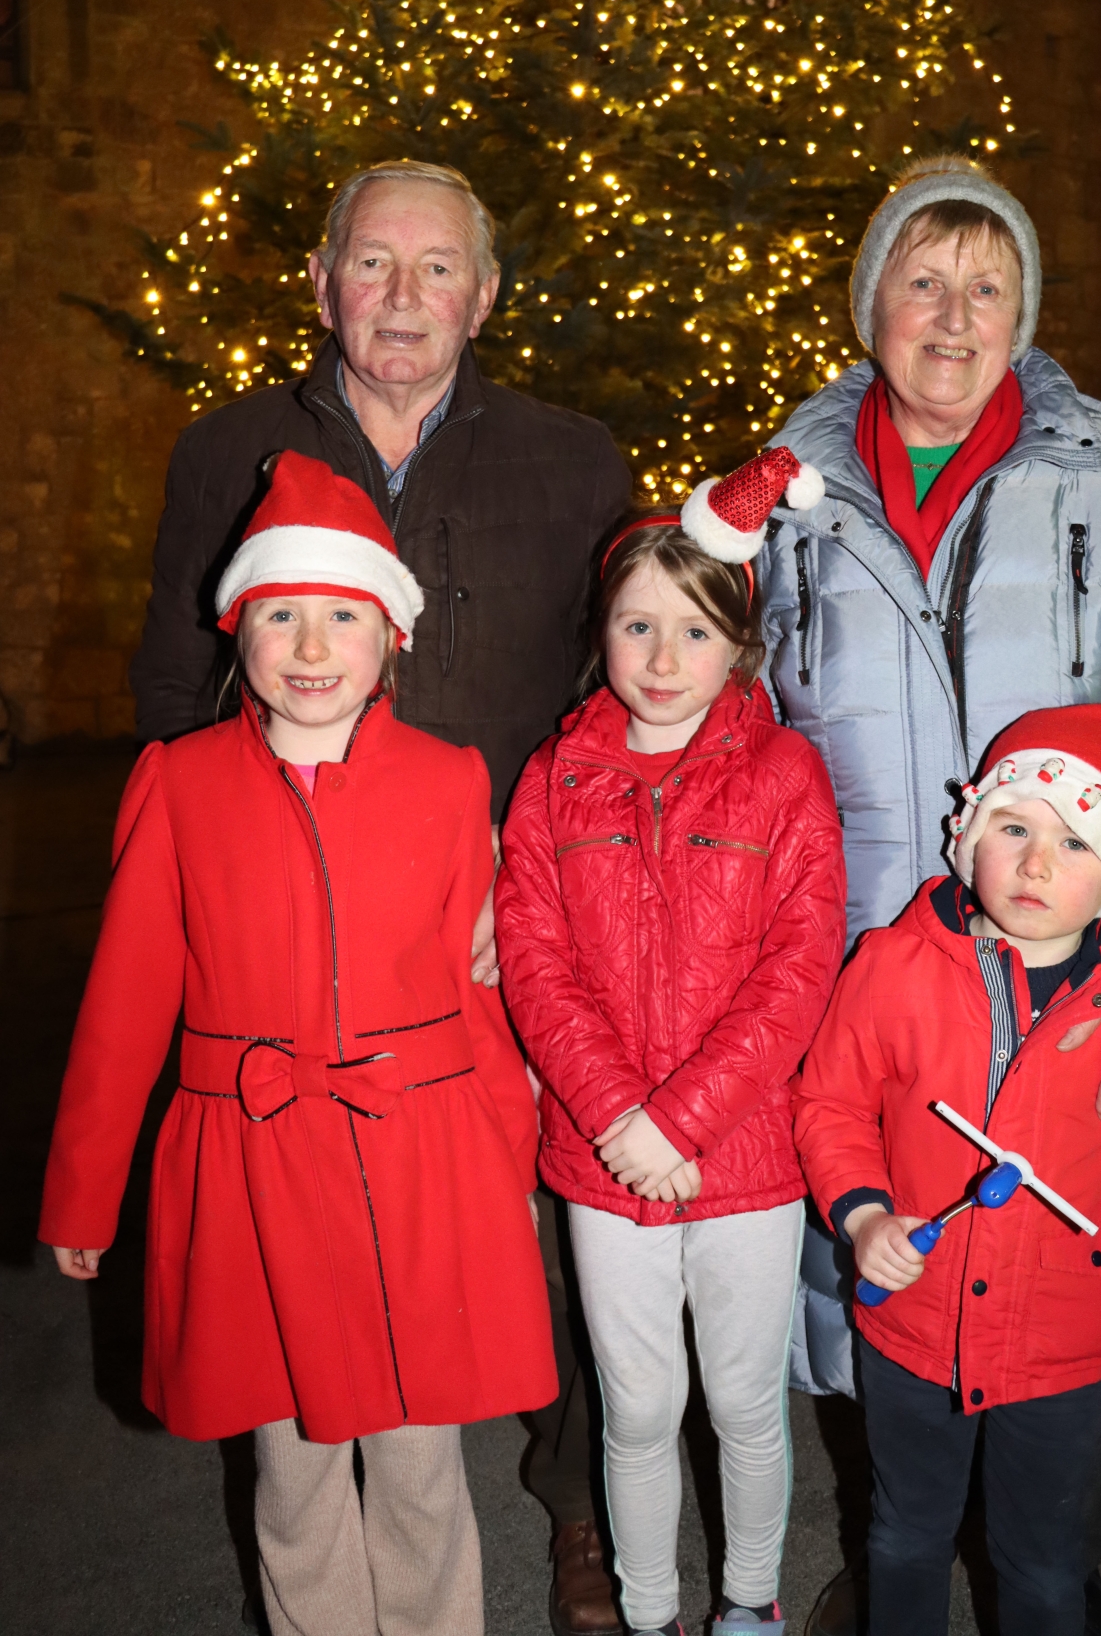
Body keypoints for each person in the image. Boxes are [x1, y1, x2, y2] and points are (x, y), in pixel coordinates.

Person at [753, 152, 1101, 1632]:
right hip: (874, 1002)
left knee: (1043, 1359)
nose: (952, 315)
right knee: (888, 1343)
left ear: (1022, 313)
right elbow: (742, 739)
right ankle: (901, 1570)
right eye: (921, 280)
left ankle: (1046, 1587)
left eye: (988, 286)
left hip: (1071, 996)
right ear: (871, 307)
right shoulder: (787, 502)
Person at [128, 159, 633, 1633]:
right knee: (326, 1241)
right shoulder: (225, 451)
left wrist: (530, 877)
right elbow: (174, 680)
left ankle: (576, 1505)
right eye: (371, 264)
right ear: (321, 279)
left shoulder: (573, 458)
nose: (401, 298)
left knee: (536, 1225)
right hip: (302, 928)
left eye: (435, 270)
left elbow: (613, 696)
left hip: (511, 910)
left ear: (482, 294)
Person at [39, 453, 557, 1636]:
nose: (312, 646)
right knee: (295, 1466)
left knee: (424, 1468)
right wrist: (84, 1196)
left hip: (420, 1159)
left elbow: (481, 998)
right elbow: (122, 1005)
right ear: (239, 630)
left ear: (391, 641)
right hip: (250, 1167)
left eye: (342, 616)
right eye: (281, 614)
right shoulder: (177, 785)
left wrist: (506, 1161)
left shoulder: (449, 783)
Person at [495, 451, 849, 1636]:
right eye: (636, 625)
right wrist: (617, 1120)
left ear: (739, 645)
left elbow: (797, 972)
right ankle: (649, 1614)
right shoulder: (552, 783)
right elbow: (535, 967)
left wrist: (682, 1120)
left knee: (747, 1401)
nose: (660, 660)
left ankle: (749, 1604)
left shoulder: (786, 777)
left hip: (742, 1158)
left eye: (693, 633)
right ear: (599, 632)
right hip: (604, 1159)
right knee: (639, 1408)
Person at [792, 704, 1101, 1636]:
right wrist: (865, 1216)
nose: (1035, 863)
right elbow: (829, 1105)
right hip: (913, 1328)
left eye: (1076, 842)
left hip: (1058, 1346)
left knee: (1045, 1562)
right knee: (905, 1535)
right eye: (1014, 827)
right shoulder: (893, 965)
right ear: (968, 836)